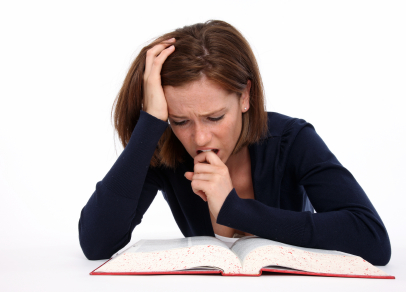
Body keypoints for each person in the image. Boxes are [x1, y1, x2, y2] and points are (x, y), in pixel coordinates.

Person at [78, 20, 391, 265]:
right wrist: (150, 124)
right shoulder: (166, 148)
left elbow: (373, 239)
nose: (200, 138)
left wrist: (235, 209)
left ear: (245, 96)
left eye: (215, 118)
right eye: (181, 120)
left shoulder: (291, 140)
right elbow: (96, 244)